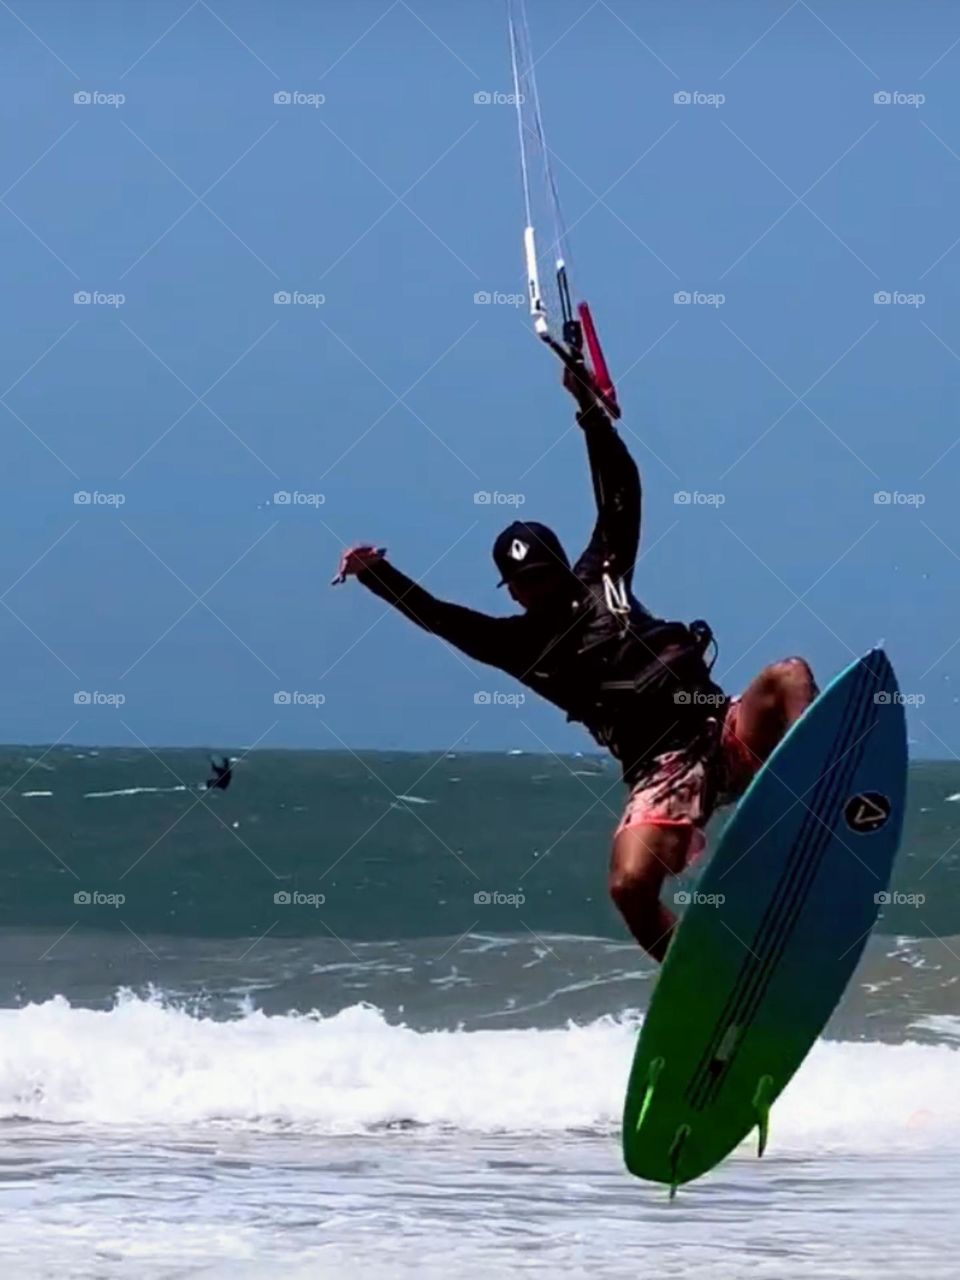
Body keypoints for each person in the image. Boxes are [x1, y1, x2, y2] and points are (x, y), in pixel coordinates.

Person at [332, 363, 816, 962]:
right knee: (628, 886)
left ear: (563, 566)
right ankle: (701, 977)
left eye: (541, 577)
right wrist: (376, 574)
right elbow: (440, 617)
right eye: (521, 585)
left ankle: (818, 802)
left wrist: (588, 410)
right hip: (661, 773)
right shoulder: (517, 645)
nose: (532, 592)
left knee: (789, 676)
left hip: (722, 732)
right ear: (509, 593)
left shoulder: (605, 570)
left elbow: (621, 491)